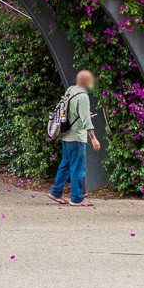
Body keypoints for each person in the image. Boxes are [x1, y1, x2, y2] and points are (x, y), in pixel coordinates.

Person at [49, 69, 100, 207]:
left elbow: (70, 111)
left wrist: (84, 115)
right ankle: (77, 198)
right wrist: (93, 138)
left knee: (65, 164)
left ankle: (56, 191)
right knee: (78, 168)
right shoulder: (83, 96)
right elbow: (85, 121)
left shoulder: (71, 90)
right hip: (77, 137)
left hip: (66, 135)